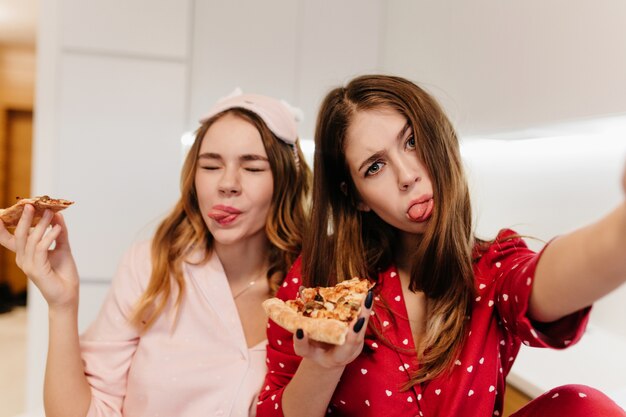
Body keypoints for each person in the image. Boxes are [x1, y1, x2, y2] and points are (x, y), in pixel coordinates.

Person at [256, 75, 626, 417]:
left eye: (412, 141)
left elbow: (543, 283)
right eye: (375, 167)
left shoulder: (493, 270)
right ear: (356, 198)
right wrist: (324, 365)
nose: (407, 175)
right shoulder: (322, 285)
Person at [0, 91, 311, 417]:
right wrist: (62, 306)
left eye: (252, 168)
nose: (227, 184)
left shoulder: (316, 287)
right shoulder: (149, 266)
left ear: (285, 181)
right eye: (210, 165)